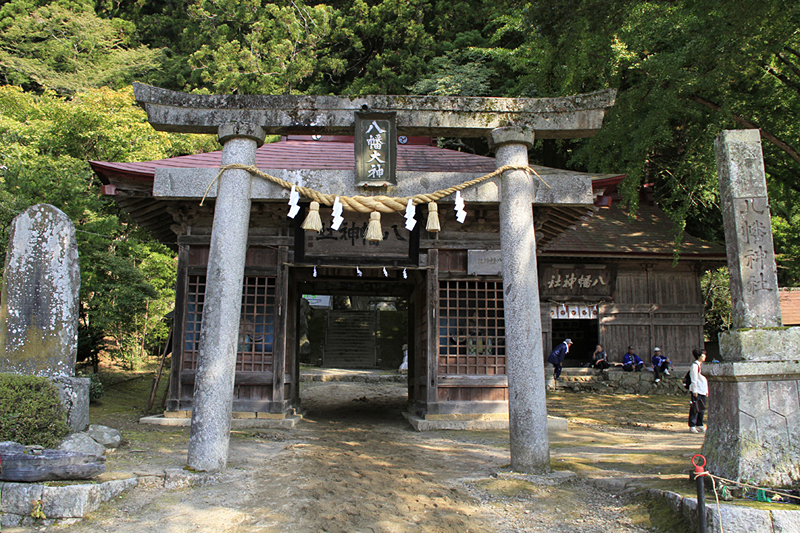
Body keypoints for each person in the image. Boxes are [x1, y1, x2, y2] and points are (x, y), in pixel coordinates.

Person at [688, 348, 709, 433]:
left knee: (702, 408)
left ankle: (699, 424)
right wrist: (694, 390)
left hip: (703, 389)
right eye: (703, 355)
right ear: (699, 356)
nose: (705, 356)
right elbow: (694, 378)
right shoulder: (695, 365)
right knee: (695, 408)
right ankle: (692, 425)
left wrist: (706, 390)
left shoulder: (702, 365)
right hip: (697, 389)